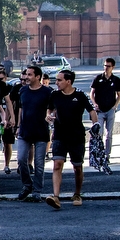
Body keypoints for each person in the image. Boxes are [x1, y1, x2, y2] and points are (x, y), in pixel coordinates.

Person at [46, 70, 96, 209]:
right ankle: (56, 197)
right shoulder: (54, 95)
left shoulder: (79, 95)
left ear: (68, 81)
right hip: (59, 135)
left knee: (77, 167)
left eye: (59, 80)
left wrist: (96, 126)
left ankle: (77, 194)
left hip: (76, 136)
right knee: (57, 164)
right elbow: (49, 109)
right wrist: (48, 116)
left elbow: (91, 111)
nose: (56, 82)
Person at [16, 65, 54, 200]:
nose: (26, 77)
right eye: (26, 74)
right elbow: (21, 109)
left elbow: (52, 109)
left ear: (38, 77)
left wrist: (50, 116)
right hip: (25, 130)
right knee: (21, 160)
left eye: (30, 74)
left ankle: (37, 190)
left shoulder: (47, 92)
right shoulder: (23, 90)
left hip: (41, 131)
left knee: (39, 163)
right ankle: (27, 185)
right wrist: (18, 126)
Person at [90, 58, 120, 161]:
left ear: (113, 67)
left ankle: (107, 154)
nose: (106, 68)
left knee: (109, 133)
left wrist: (115, 105)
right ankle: (100, 153)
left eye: (108, 66)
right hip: (100, 110)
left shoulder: (115, 80)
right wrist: (94, 104)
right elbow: (92, 93)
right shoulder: (98, 78)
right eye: (105, 66)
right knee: (99, 132)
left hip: (110, 109)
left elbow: (119, 94)